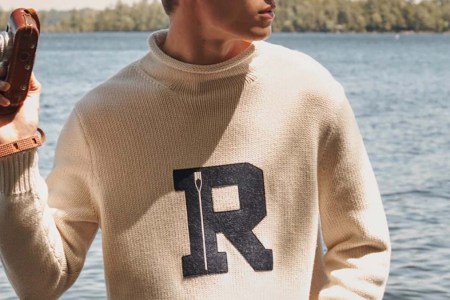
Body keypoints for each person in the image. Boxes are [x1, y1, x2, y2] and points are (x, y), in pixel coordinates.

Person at [0, 0, 391, 299]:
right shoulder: (100, 118)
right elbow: (42, 282)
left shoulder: (311, 92)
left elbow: (362, 246)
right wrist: (14, 149)